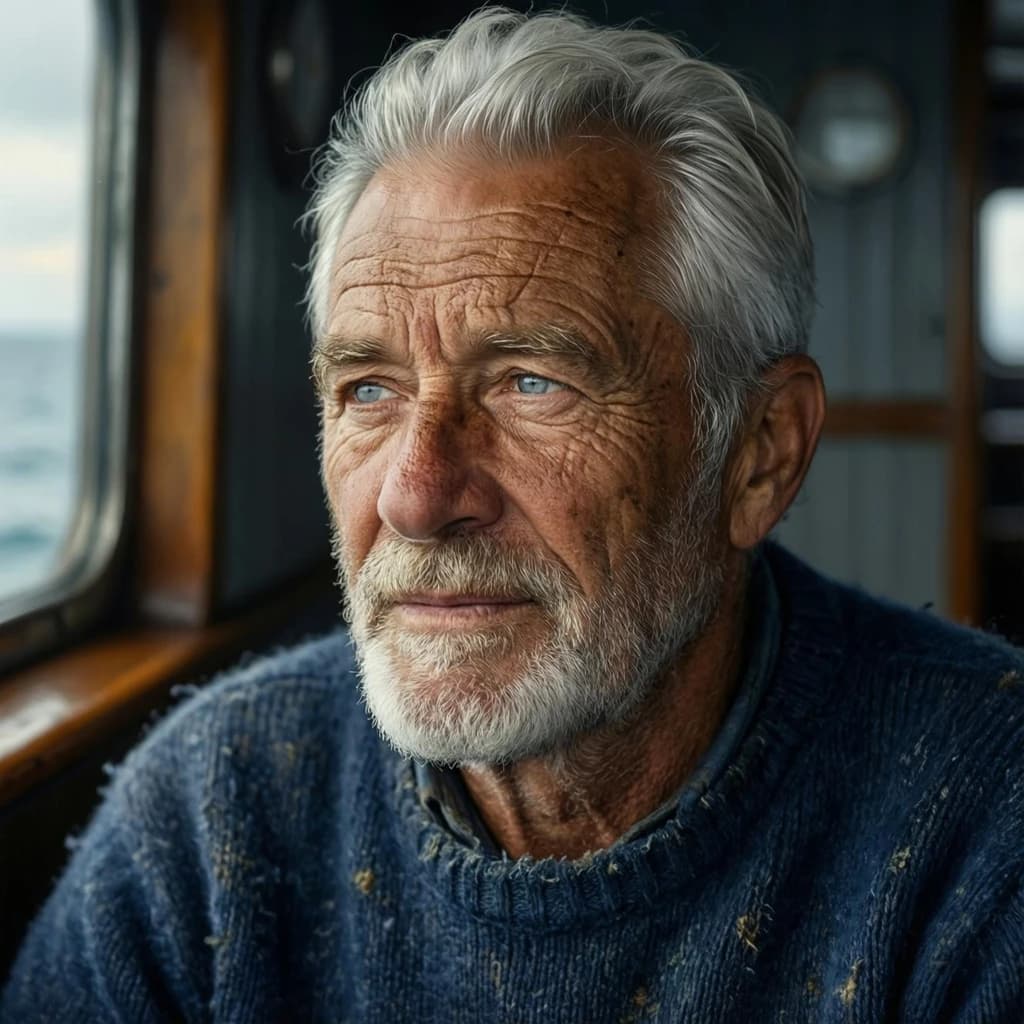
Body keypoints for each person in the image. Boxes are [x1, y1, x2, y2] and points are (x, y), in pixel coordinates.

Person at [4, 8, 1024, 1022]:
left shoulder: (985, 814)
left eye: (532, 382)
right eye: (367, 389)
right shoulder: (213, 814)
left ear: (758, 454)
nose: (414, 495)